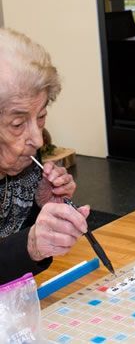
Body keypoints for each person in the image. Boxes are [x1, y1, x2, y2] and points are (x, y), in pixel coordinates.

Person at [0, 28, 89, 285]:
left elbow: (18, 267)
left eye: (41, 117)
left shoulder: (26, 152)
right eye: (17, 124)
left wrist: (43, 208)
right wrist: (30, 244)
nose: (37, 139)